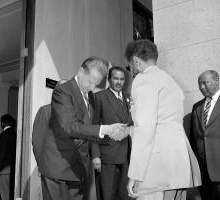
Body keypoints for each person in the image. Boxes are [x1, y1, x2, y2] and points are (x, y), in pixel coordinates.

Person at [124, 39, 201, 200]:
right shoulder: (170, 81)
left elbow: (145, 128)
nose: (131, 70)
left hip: (157, 166)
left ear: (136, 61)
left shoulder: (144, 79)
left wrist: (135, 174)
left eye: (129, 66)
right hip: (180, 164)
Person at [47, 56, 127, 200]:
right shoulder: (63, 90)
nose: (91, 87)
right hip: (60, 167)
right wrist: (105, 129)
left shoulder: (90, 96)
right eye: (90, 81)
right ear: (80, 72)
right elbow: (70, 126)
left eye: (95, 84)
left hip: (79, 167)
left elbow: (88, 127)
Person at [91, 66, 133, 200]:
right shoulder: (99, 97)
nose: (119, 82)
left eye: (122, 79)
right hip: (107, 157)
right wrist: (95, 155)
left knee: (125, 195)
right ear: (109, 79)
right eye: (116, 78)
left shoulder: (129, 98)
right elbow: (93, 127)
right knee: (107, 195)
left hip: (127, 157)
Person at [190, 70, 220, 200]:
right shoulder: (197, 107)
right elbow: (193, 138)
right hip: (203, 173)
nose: (202, 87)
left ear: (217, 81)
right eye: (199, 84)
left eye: (205, 83)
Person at [0, 114, 16, 200]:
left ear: (2, 123)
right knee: (11, 195)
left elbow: (1, 153)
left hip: (4, 170)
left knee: (5, 195)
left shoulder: (4, 134)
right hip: (13, 170)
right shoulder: (15, 134)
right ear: (11, 123)